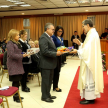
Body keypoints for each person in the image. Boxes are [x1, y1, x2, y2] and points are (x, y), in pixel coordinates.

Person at [70, 19, 104, 104]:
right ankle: (90, 97)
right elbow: (87, 47)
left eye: (83, 26)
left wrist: (77, 51)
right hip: (90, 60)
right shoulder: (92, 33)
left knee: (88, 79)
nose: (83, 28)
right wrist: (80, 44)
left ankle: (90, 98)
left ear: (88, 25)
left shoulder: (92, 34)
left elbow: (88, 50)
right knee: (89, 79)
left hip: (90, 62)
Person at [39, 23, 62, 103]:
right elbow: (44, 51)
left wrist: (58, 51)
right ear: (47, 29)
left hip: (50, 63)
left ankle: (48, 94)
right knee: (46, 81)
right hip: (46, 64)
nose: (54, 31)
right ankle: (44, 97)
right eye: (52, 29)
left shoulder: (49, 37)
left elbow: (51, 48)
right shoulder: (43, 37)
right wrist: (56, 53)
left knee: (49, 80)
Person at [7, 29, 28, 103]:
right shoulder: (10, 43)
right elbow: (11, 55)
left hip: (18, 64)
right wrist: (22, 55)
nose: (19, 36)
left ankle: (17, 95)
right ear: (13, 36)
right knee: (15, 81)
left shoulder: (16, 42)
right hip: (13, 65)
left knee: (17, 80)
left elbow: (18, 52)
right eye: (17, 35)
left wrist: (25, 53)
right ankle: (15, 97)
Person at [52, 25, 64, 92]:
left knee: (58, 71)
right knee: (56, 71)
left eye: (61, 31)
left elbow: (62, 46)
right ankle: (55, 86)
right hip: (55, 55)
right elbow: (52, 47)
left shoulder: (61, 38)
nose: (60, 33)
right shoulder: (53, 37)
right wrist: (59, 49)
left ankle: (55, 85)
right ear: (56, 31)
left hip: (60, 55)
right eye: (59, 31)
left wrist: (66, 49)